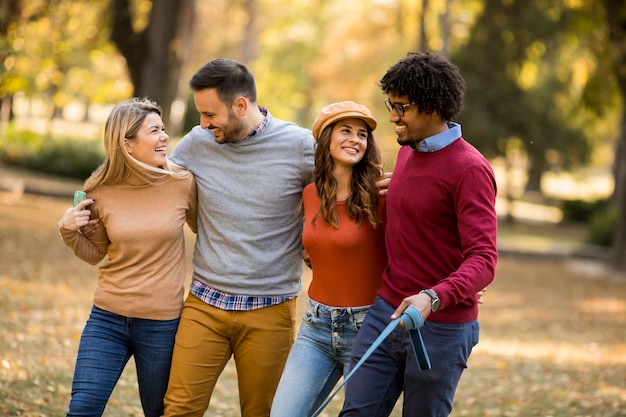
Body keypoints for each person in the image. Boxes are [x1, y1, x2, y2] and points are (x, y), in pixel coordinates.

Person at [339, 51, 498, 417]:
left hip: (440, 330)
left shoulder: (471, 170)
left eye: (401, 107)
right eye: (390, 104)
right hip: (386, 314)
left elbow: (484, 259)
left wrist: (434, 296)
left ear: (433, 106)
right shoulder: (409, 153)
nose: (392, 116)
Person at [161, 58, 316, 417]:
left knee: (263, 412)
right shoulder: (197, 143)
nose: (202, 124)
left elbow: (341, 189)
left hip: (270, 309)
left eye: (210, 114)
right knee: (179, 410)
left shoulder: (299, 145)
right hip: (204, 305)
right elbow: (156, 182)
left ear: (241, 105)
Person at [57, 98, 198, 417]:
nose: (164, 137)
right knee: (82, 408)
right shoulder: (99, 188)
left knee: (159, 411)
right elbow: (97, 254)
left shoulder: (182, 183)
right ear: (127, 144)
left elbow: (204, 230)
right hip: (107, 318)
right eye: (154, 131)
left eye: (163, 129)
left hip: (163, 325)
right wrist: (68, 231)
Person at [270, 101, 387, 417]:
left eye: (362, 134)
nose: (356, 139)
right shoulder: (310, 194)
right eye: (345, 131)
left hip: (368, 328)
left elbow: (418, 242)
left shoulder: (382, 195)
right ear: (326, 139)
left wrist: (455, 279)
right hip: (316, 326)